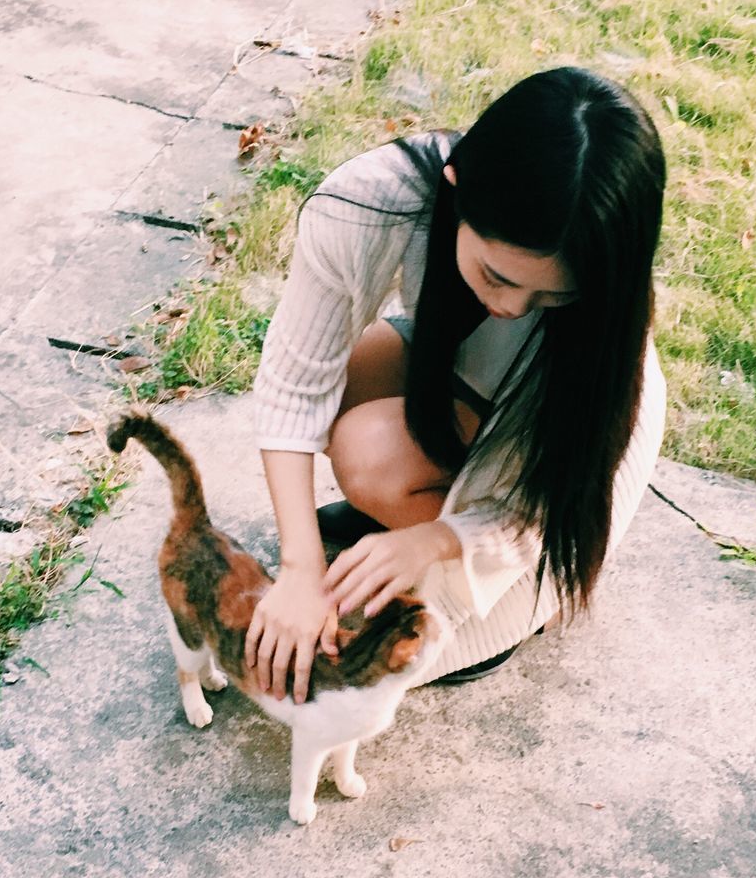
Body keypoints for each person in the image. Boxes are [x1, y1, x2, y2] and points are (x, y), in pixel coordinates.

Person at [243, 66, 668, 704]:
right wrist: (299, 570)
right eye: (496, 275)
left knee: (371, 455)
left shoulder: (605, 326)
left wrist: (439, 540)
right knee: (347, 378)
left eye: (554, 293)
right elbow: (292, 385)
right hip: (469, 376)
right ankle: (419, 514)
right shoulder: (371, 200)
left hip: (555, 467)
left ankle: (492, 581)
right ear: (457, 186)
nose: (517, 307)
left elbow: (554, 504)